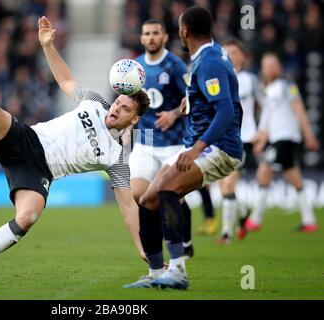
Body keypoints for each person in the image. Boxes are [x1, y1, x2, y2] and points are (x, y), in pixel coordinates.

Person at [0, 16, 151, 279]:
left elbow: (128, 207)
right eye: (118, 102)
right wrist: (48, 46)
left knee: (27, 217)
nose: (117, 108)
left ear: (133, 119)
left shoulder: (116, 158)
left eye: (125, 109)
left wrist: (144, 249)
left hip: (40, 172)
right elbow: (66, 81)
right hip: (28, 139)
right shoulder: (96, 102)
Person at [125, 6, 243, 290]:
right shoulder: (206, 57)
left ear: (183, 31)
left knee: (167, 190)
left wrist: (196, 148)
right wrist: (186, 107)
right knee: (149, 198)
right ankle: (156, 272)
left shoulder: (210, 61)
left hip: (217, 147)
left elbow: (225, 111)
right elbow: (208, 101)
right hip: (197, 144)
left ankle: (178, 269)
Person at [245, 53, 320, 233]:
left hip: (286, 138)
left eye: (272, 64)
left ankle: (254, 220)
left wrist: (309, 134)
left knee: (264, 172)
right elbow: (267, 119)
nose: (269, 68)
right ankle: (309, 221)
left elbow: (300, 110)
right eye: (266, 65)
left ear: (279, 67)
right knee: (293, 178)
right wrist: (261, 138)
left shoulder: (288, 86)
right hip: (276, 138)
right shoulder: (268, 91)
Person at [217, 38, 263, 243]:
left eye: (234, 52)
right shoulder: (217, 79)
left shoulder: (250, 80)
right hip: (219, 138)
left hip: (242, 140)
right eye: (226, 52)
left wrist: (262, 132)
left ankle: (227, 233)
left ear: (243, 56)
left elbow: (266, 105)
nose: (230, 56)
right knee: (224, 186)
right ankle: (243, 214)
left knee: (227, 186)